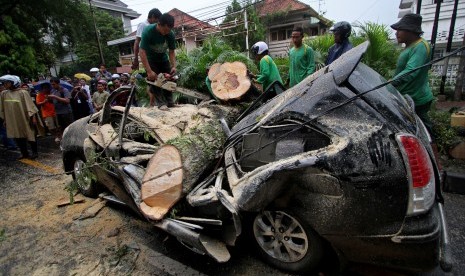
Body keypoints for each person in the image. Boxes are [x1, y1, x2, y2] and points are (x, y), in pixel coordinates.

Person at [391, 13, 434, 134]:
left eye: (399, 30)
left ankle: (433, 152)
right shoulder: (410, 46)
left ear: (410, 30)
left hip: (416, 99)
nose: (396, 33)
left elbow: (411, 71)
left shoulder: (420, 46)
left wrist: (390, 83)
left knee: (424, 133)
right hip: (406, 96)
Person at [140, 13, 177, 109]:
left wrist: (173, 66)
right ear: (159, 24)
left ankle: (170, 101)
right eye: (165, 30)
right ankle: (160, 103)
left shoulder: (170, 34)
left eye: (168, 30)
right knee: (155, 79)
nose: (166, 32)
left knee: (169, 79)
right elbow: (142, 52)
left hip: (163, 59)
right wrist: (148, 71)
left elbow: (172, 51)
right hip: (151, 59)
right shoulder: (148, 31)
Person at [0, 75, 39, 159]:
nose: (5, 84)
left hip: (25, 118)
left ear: (13, 82)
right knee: (18, 137)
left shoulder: (23, 92)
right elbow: (3, 108)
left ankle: (35, 152)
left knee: (30, 135)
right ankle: (24, 154)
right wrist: (5, 120)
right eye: (4, 83)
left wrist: (33, 118)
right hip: (13, 120)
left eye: (7, 82)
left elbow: (30, 107)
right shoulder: (4, 94)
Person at [49, 77, 73, 143]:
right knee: (61, 127)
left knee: (68, 126)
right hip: (58, 112)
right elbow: (52, 101)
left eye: (54, 84)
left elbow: (67, 101)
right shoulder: (52, 91)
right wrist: (49, 99)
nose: (52, 86)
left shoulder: (64, 90)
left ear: (58, 83)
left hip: (66, 112)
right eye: (51, 84)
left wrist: (55, 97)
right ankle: (64, 140)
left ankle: (71, 139)